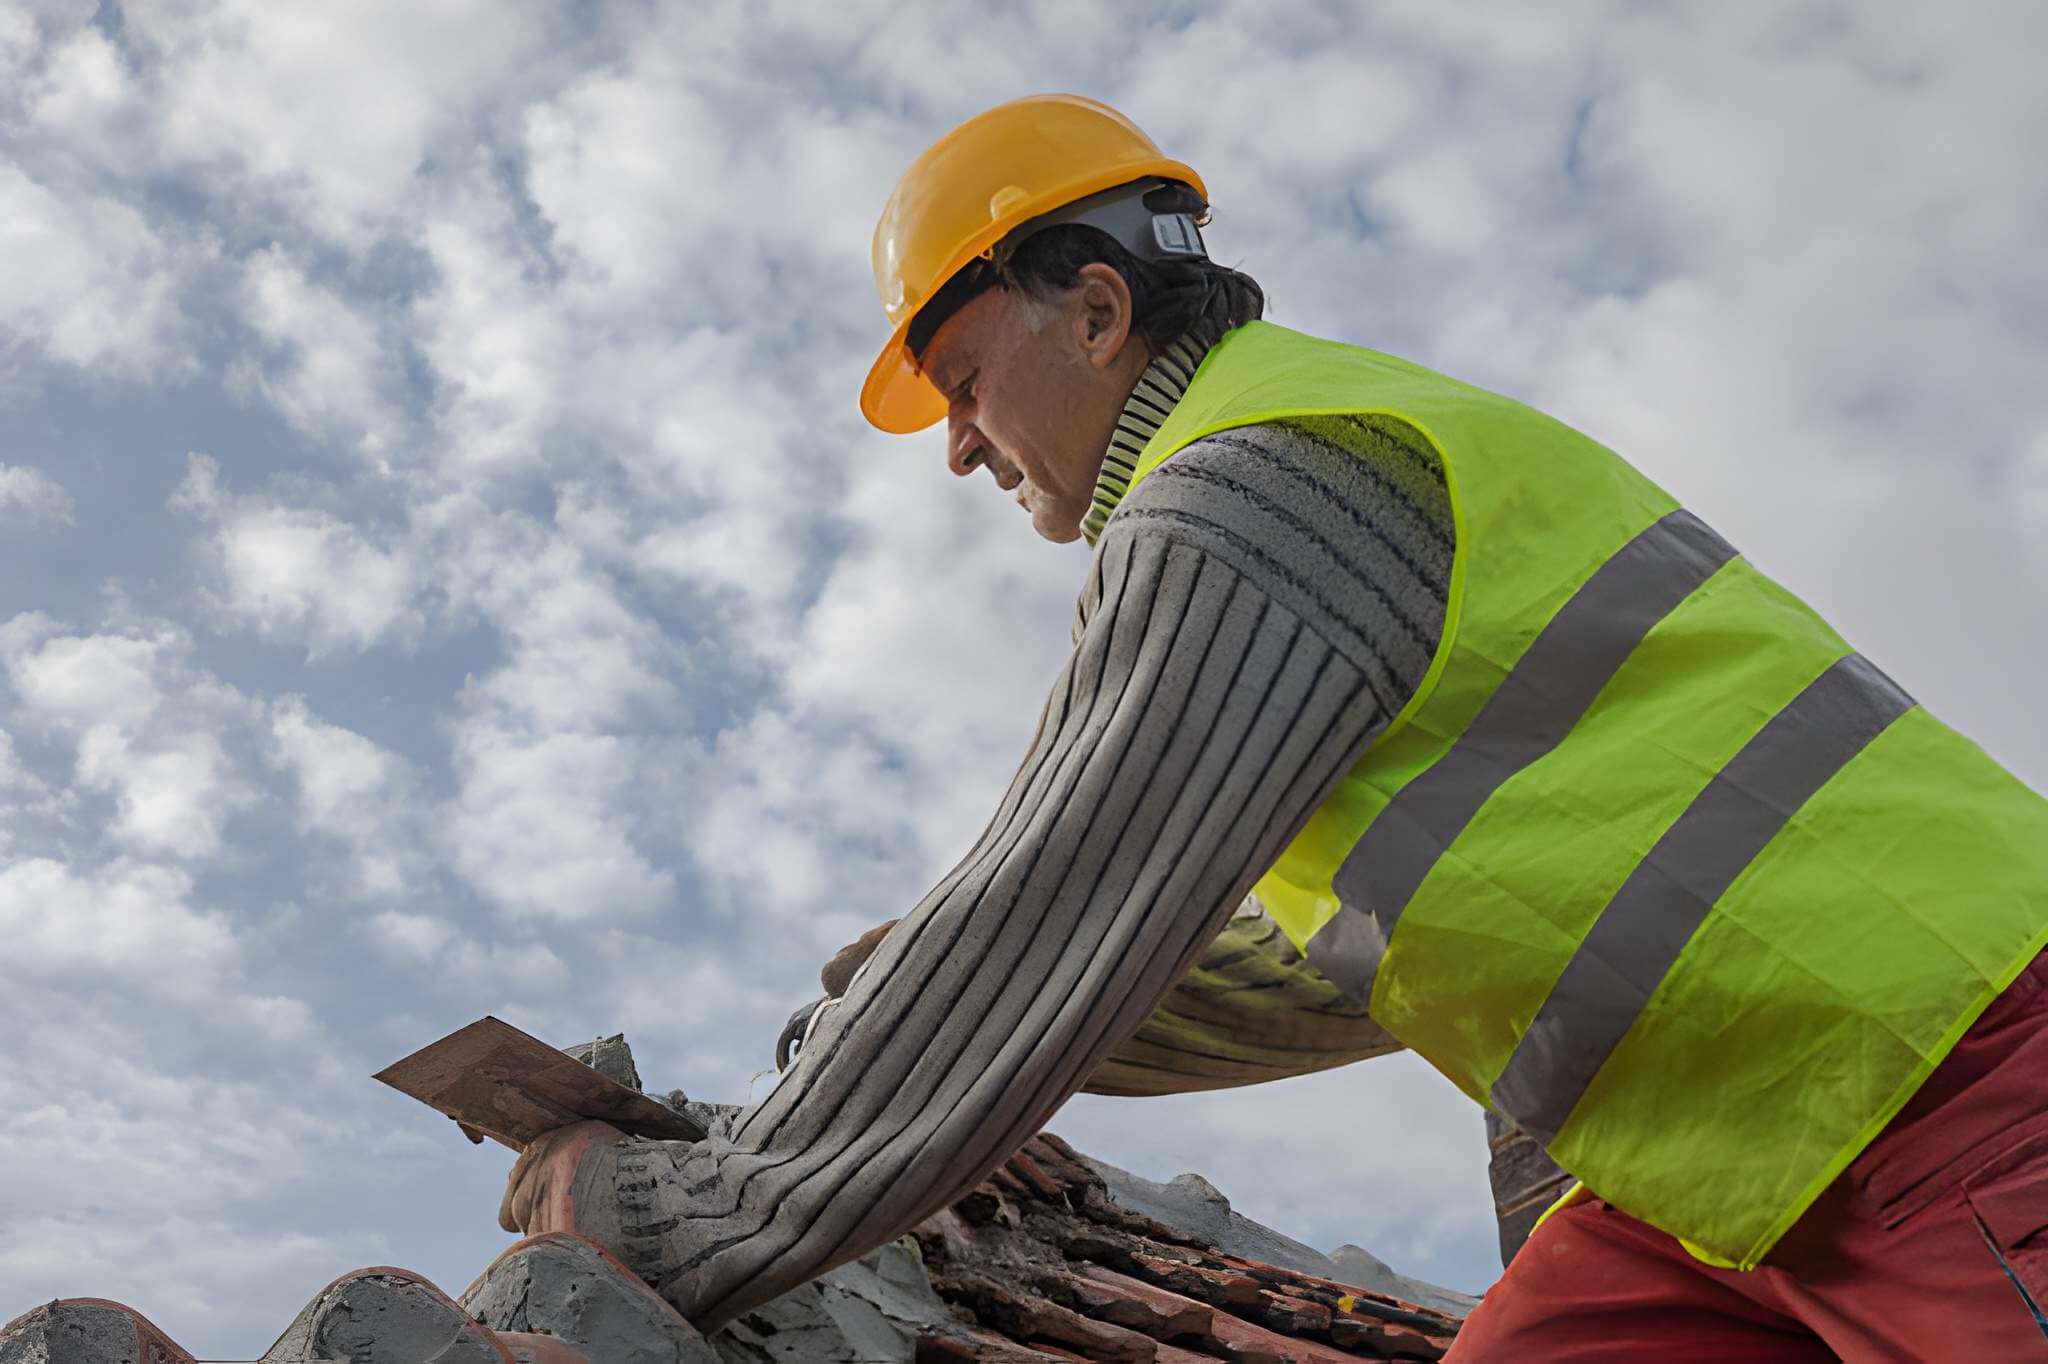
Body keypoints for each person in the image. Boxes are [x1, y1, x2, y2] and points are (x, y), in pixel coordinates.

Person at [16, 93, 2046, 1362]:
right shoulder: (1327, 473)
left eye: (965, 377)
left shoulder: (1249, 488)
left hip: (1950, 1076)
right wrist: (830, 1063)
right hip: (1724, 1171)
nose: (959, 451)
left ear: (1095, 305)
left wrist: (696, 1209)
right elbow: (1229, 961)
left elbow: (1055, 917)